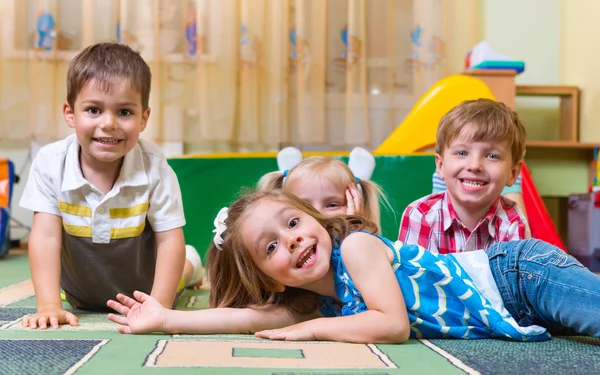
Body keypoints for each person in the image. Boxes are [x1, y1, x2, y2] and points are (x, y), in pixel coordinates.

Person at [107, 190, 600, 342]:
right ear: (266, 278)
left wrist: (312, 332)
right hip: (515, 308)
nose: (295, 239)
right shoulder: (316, 298)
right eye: (272, 247)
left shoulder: (358, 249)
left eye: (294, 221)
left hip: (518, 274)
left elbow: (392, 325)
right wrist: (166, 317)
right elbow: (245, 318)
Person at [19, 42, 203, 330]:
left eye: (125, 112)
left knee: (183, 265)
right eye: (93, 110)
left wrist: (160, 307)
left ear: (144, 118)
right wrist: (49, 305)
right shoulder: (50, 162)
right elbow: (45, 237)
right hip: (81, 292)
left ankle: (193, 265)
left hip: (145, 290)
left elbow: (168, 240)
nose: (109, 123)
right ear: (70, 114)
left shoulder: (155, 166)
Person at [399, 99, 530, 254]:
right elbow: (416, 276)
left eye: (492, 156)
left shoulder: (514, 222)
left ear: (513, 173)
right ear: (440, 165)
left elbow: (513, 277)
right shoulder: (420, 215)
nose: (474, 165)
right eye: (461, 153)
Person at [258, 146, 387, 229]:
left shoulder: (369, 248)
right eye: (303, 205)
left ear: (355, 203)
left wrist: (353, 234)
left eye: (332, 205)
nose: (317, 214)